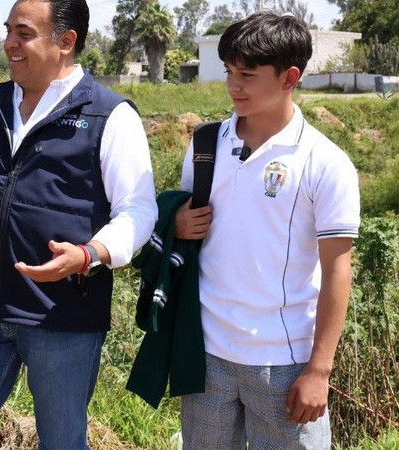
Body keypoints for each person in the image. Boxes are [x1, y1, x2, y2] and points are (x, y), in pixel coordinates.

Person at [0, 0, 157, 448]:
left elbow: (138, 210)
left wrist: (90, 255)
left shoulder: (109, 115)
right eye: (8, 31)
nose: (9, 44)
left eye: (24, 33)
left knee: (61, 441)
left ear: (66, 42)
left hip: (63, 315)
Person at [175, 12, 360, 449]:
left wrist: (319, 370)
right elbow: (178, 217)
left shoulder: (324, 162)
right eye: (229, 72)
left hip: (286, 362)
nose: (233, 85)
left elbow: (338, 269)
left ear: (289, 77)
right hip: (207, 354)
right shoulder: (205, 146)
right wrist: (178, 222)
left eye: (248, 75)